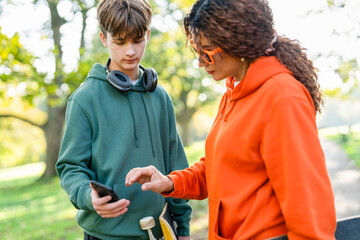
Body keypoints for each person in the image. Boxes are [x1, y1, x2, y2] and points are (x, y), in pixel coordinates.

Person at [125, 0, 337, 239]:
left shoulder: (282, 96)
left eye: (207, 52)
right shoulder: (234, 92)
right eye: (197, 52)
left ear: (237, 41)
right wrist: (170, 182)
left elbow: (308, 204)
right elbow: (220, 167)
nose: (200, 62)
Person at [55, 0, 192, 239]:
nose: (130, 51)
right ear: (104, 39)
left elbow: (176, 166)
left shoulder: (160, 96)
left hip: (162, 232)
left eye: (137, 40)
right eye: (120, 42)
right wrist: (88, 197)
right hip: (105, 234)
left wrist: (183, 228)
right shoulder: (84, 100)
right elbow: (70, 167)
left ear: (147, 35)